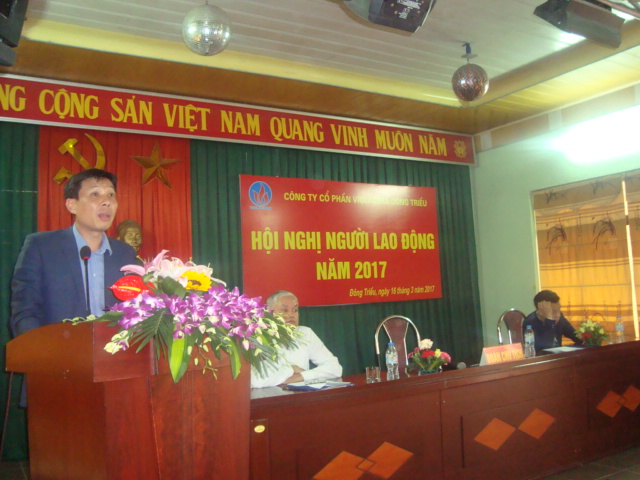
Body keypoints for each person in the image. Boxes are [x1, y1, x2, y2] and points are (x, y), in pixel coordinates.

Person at [10, 169, 138, 337]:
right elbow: (25, 312)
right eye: (95, 194)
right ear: (72, 205)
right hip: (58, 349)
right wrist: (43, 349)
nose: (107, 202)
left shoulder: (124, 254)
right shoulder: (41, 247)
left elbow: (137, 309)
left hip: (115, 350)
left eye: (111, 195)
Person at [251, 290, 342, 388]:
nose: (291, 315)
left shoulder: (305, 333)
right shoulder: (259, 338)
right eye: (285, 310)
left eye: (295, 310)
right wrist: (291, 369)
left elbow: (335, 368)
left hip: (301, 395)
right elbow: (256, 381)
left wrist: (300, 376)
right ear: (269, 314)